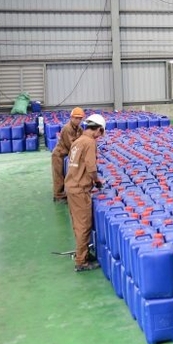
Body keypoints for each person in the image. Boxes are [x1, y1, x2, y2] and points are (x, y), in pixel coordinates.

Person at [64, 114, 106, 272]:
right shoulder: (89, 142)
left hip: (71, 185)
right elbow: (91, 167)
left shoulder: (78, 141)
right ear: (99, 130)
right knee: (84, 225)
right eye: (101, 133)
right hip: (80, 189)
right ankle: (81, 262)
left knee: (77, 224)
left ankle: (83, 253)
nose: (100, 137)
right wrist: (97, 181)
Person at [51, 107, 84, 203]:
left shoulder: (79, 129)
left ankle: (66, 193)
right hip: (59, 154)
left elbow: (82, 141)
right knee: (59, 175)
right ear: (71, 118)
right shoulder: (67, 128)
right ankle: (58, 196)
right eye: (76, 118)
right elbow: (71, 144)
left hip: (67, 155)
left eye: (80, 118)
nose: (78, 120)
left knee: (67, 175)